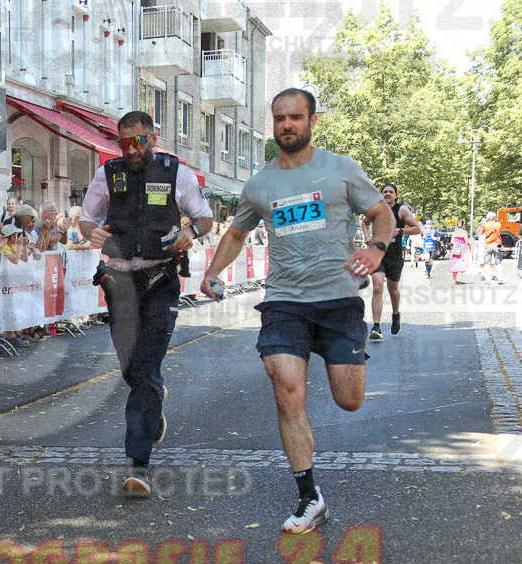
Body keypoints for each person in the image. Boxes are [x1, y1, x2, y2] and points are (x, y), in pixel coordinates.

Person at [200, 88, 393, 533]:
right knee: (286, 386)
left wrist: (378, 249)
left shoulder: (341, 169)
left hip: (338, 298)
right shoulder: (260, 183)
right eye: (279, 118)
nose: (287, 125)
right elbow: (235, 233)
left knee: (349, 400)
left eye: (295, 118)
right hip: (285, 301)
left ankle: (347, 356)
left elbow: (381, 213)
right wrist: (211, 273)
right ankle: (310, 497)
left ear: (312, 121)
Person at [79, 110, 213, 496]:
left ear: (153, 138)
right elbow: (85, 221)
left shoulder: (177, 174)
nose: (131, 148)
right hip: (119, 280)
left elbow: (204, 218)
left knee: (148, 363)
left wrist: (189, 232)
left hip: (161, 280)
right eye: (124, 142)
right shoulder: (108, 173)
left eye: (138, 140)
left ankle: (139, 464)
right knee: (131, 367)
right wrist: (92, 230)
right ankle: (152, 398)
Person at [361, 184, 420, 339]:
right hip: (377, 253)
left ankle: (395, 315)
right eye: (384, 191)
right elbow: (364, 222)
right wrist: (366, 236)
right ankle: (376, 326)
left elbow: (416, 228)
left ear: (395, 196)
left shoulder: (402, 210)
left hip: (394, 255)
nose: (387, 194)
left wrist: (400, 231)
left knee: (392, 289)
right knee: (377, 287)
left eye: (390, 192)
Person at [482, 213, 504, 283]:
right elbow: (500, 232)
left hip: (488, 244)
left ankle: (488, 279)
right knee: (498, 262)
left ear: (488, 218)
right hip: (497, 244)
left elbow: (483, 233)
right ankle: (500, 278)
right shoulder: (499, 224)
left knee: (487, 262)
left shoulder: (485, 225)